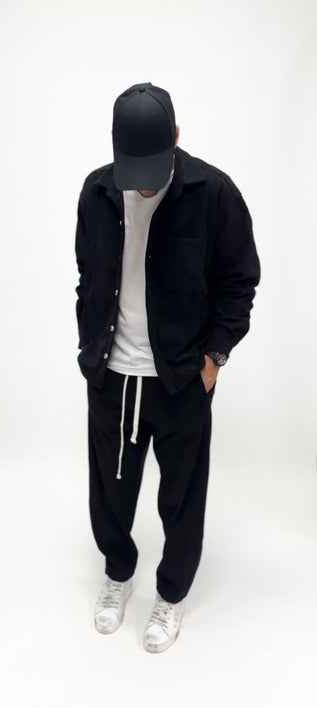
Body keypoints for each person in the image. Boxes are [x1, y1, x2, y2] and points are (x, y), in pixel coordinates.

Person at [74, 82, 261, 653]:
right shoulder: (96, 192)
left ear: (176, 137)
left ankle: (171, 594)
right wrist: (89, 343)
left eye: (154, 167)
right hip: (113, 374)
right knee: (110, 491)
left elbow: (239, 283)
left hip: (181, 379)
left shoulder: (215, 194)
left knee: (181, 497)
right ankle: (118, 574)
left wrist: (214, 360)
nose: (144, 183)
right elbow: (88, 273)